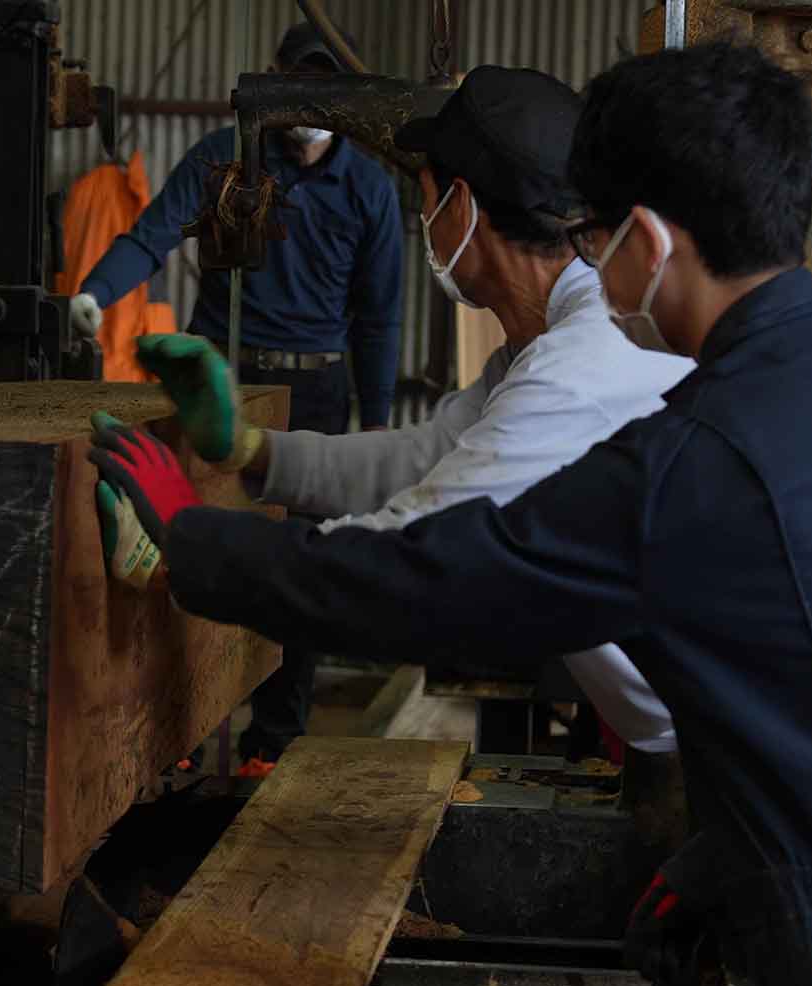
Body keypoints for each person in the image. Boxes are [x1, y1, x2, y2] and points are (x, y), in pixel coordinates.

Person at [88, 42, 812, 986]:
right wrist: (724, 857)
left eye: (594, 234)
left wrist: (189, 537)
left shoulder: (694, 455)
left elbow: (425, 585)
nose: (587, 261)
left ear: (641, 242)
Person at [108, 65, 691, 754]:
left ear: (464, 208)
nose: (428, 224)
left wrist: (188, 541)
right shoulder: (551, 343)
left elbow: (400, 562)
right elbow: (428, 458)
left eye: (428, 199)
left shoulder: (580, 369)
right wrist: (254, 451)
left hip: (734, 755)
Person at [74, 20, 404, 772]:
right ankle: (179, 736)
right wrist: (96, 291)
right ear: (272, 80)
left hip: (317, 388)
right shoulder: (226, 159)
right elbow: (151, 235)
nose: (308, 103)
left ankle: (272, 742)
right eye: (297, 84)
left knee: (302, 564)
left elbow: (379, 317)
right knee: (185, 548)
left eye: (325, 88)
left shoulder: (370, 187)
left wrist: (377, 426)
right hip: (219, 383)